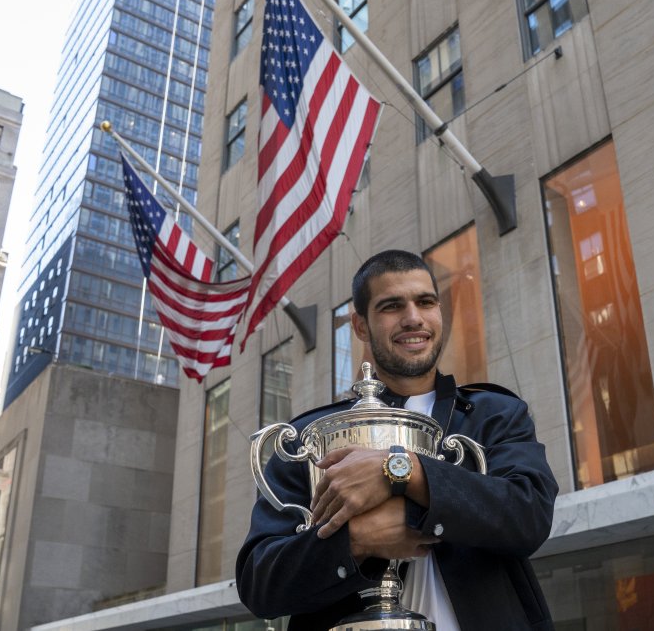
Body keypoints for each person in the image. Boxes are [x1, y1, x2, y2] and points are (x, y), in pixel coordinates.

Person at [236, 249, 558, 630]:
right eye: (391, 306)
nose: (413, 318)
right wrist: (356, 541)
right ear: (360, 325)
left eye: (425, 302)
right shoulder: (312, 437)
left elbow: (530, 515)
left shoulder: (496, 414)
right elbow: (259, 584)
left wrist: (401, 471)